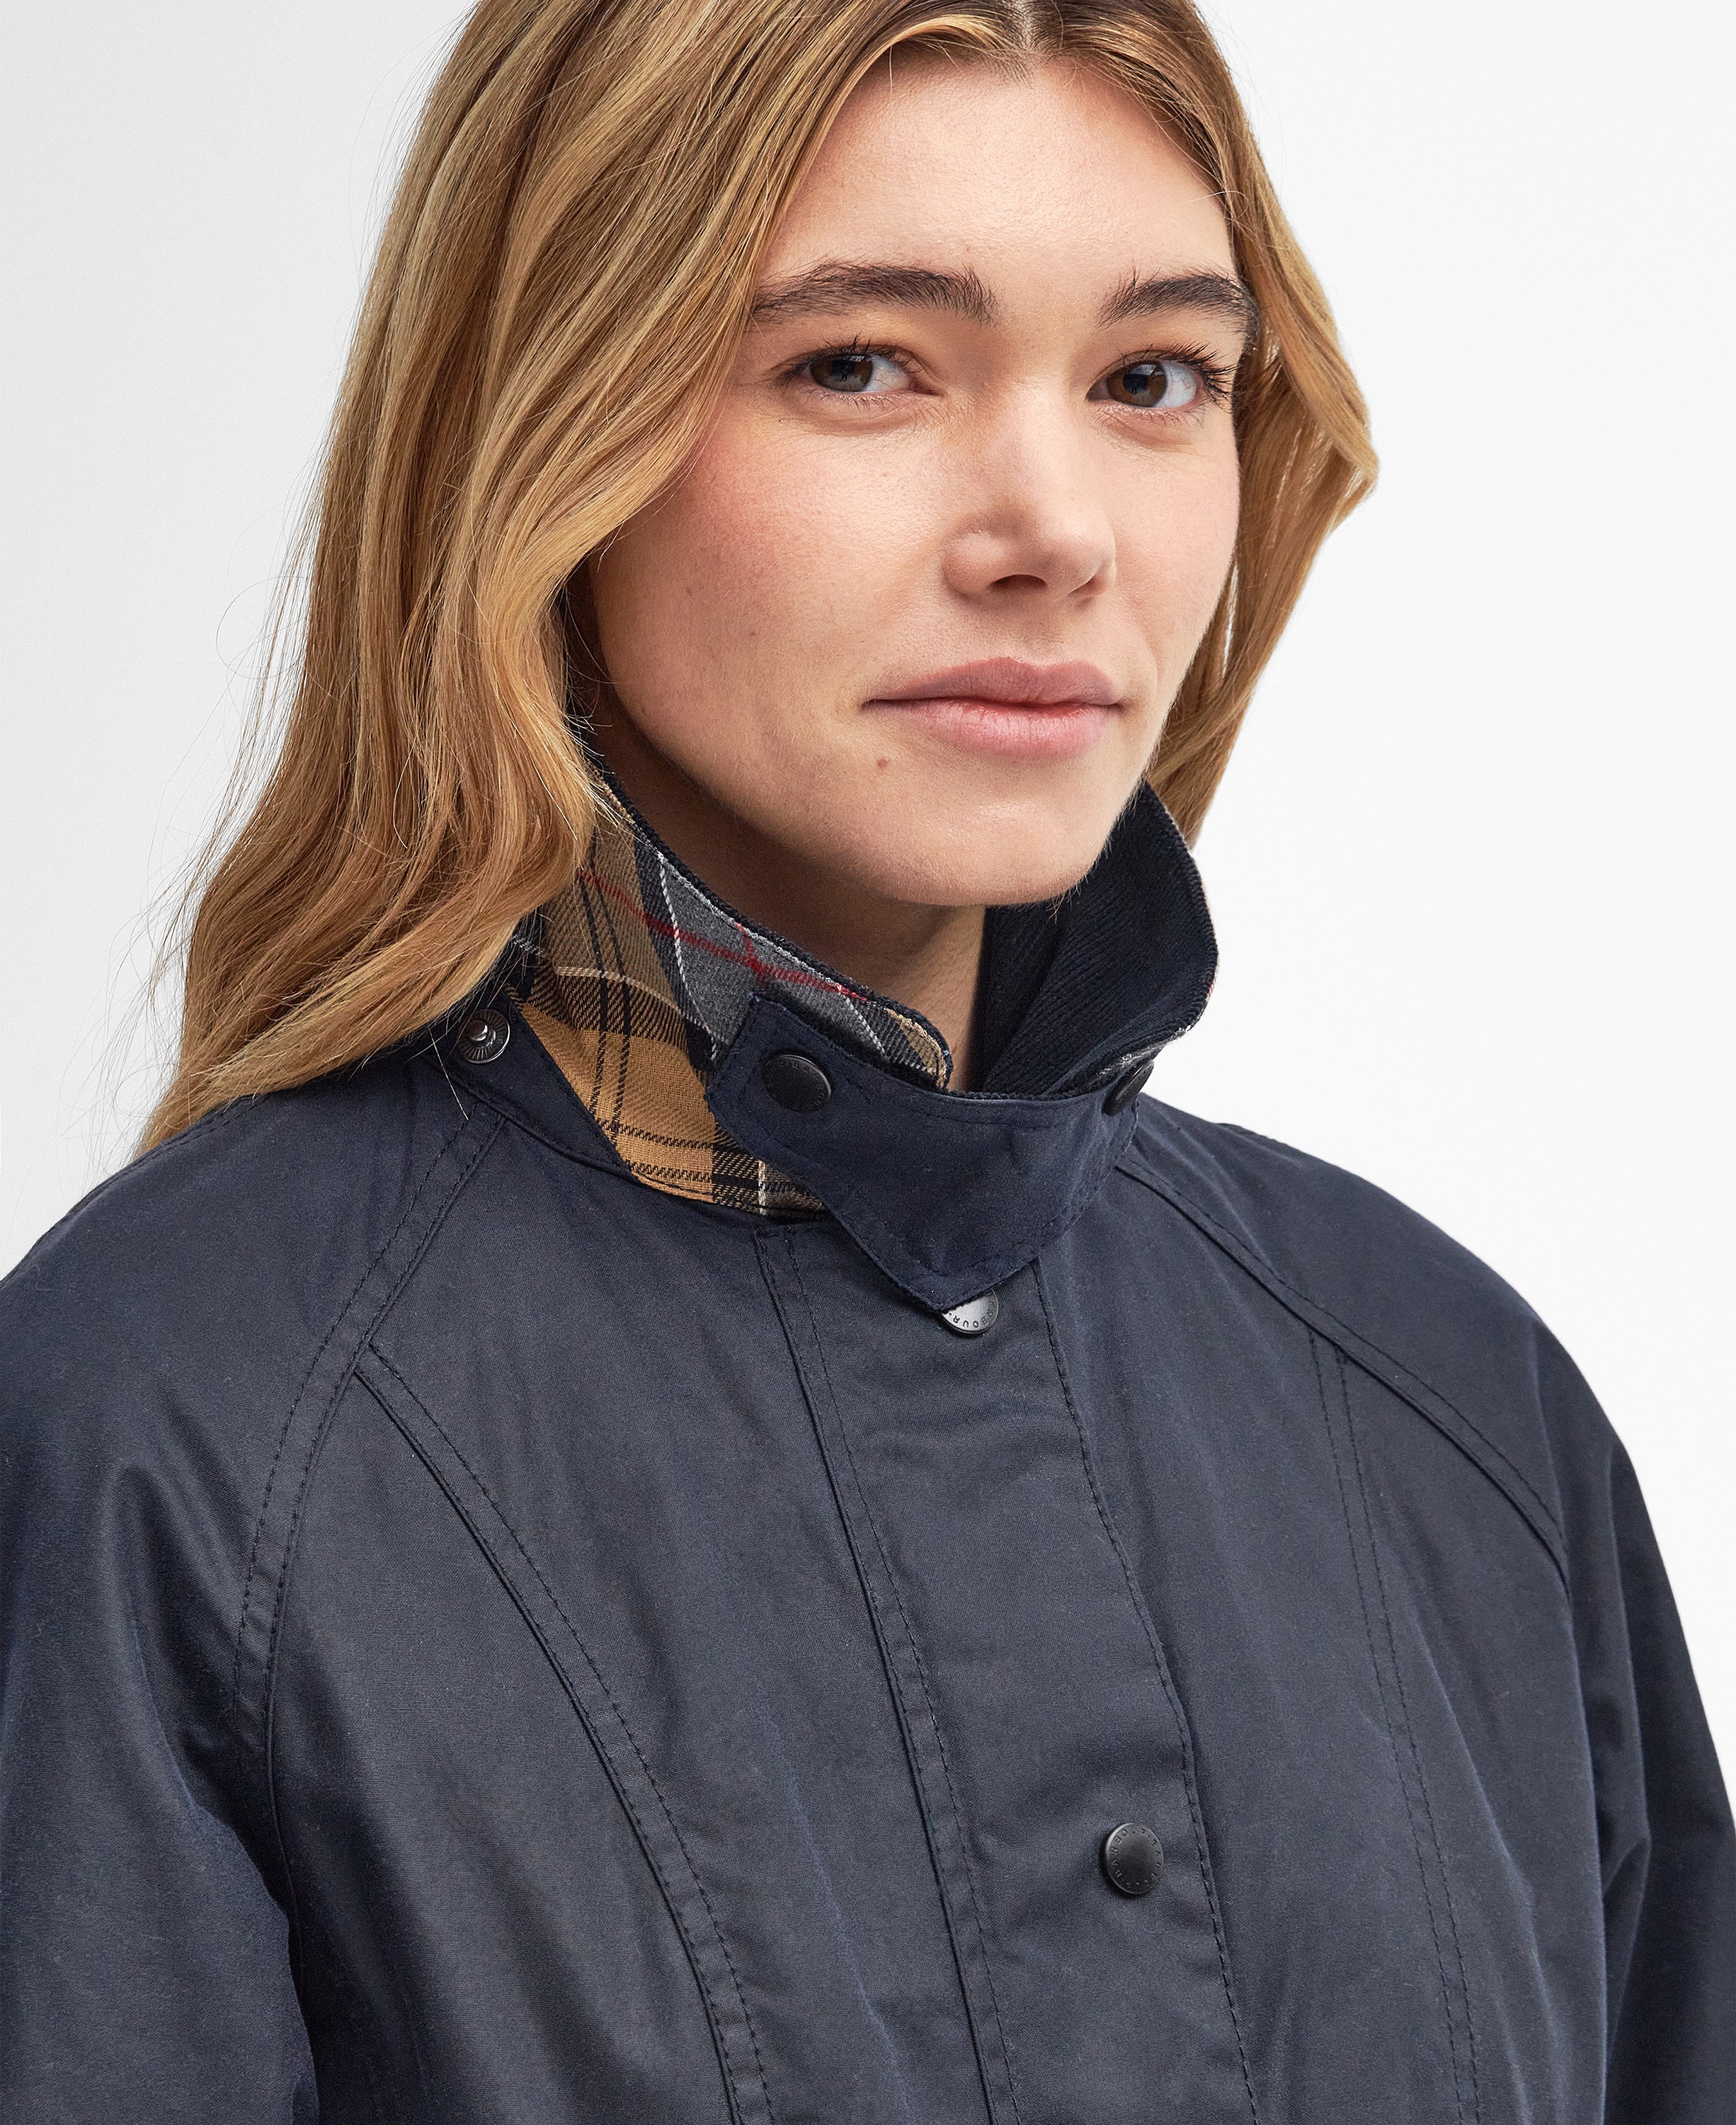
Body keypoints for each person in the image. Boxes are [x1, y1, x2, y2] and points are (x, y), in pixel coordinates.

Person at [1, 0, 1730, 2117]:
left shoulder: (1454, 1400)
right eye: (858, 365)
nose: (1055, 529)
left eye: (1151, 379)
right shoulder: (165, 1435)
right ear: (547, 428)